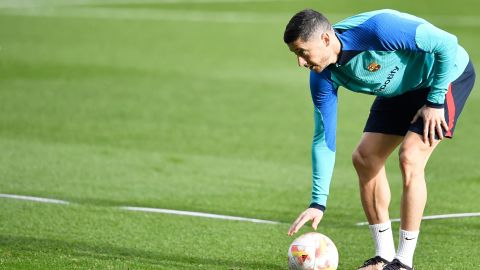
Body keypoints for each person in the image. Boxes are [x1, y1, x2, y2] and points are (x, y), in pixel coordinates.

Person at [283, 9, 475, 270]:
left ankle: (404, 262)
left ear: (326, 39)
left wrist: (435, 100)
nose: (301, 63)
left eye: (302, 52)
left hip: (445, 76)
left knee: (410, 157)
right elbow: (323, 138)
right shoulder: (322, 77)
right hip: (401, 87)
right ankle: (383, 255)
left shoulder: (379, 30)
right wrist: (318, 202)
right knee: (365, 158)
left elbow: (447, 44)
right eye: (296, 55)